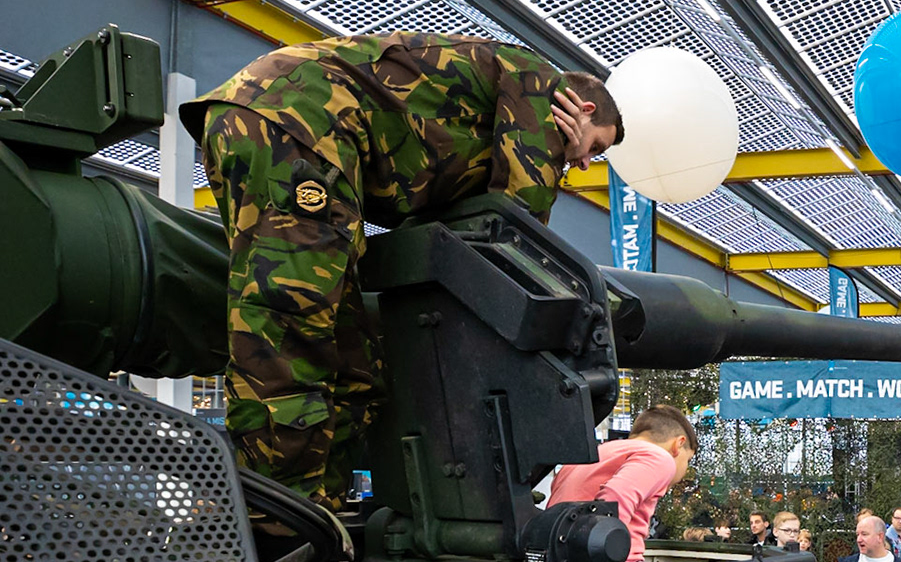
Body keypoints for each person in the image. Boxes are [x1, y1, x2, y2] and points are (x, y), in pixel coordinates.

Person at [184, 33, 623, 508]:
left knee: (354, 361)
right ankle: (276, 530)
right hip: (298, 120)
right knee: (293, 328)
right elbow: (519, 229)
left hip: (281, 127)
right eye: (594, 147)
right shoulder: (544, 88)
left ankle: (319, 513)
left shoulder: (486, 109)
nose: (582, 162)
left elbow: (461, 221)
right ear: (585, 109)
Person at [548, 406, 697, 562]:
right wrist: (605, 556)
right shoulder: (659, 457)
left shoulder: (588, 458)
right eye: (687, 460)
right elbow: (615, 496)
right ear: (678, 444)